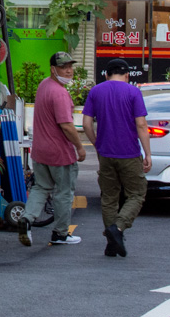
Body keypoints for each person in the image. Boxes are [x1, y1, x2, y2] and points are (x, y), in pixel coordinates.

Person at [82, 59, 152, 258]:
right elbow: (141, 125)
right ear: (127, 75)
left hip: (105, 154)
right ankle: (118, 228)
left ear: (106, 74)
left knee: (109, 198)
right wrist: (148, 153)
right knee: (136, 193)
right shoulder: (133, 92)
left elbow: (86, 124)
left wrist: (97, 143)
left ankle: (111, 243)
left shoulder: (96, 91)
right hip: (129, 153)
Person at [20, 51, 86, 247]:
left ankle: (27, 218)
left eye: (70, 66)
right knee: (64, 193)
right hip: (59, 153)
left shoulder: (44, 86)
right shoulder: (60, 93)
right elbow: (67, 125)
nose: (69, 71)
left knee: (41, 187)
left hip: (40, 150)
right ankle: (60, 233)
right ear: (53, 69)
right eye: (63, 67)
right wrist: (80, 147)